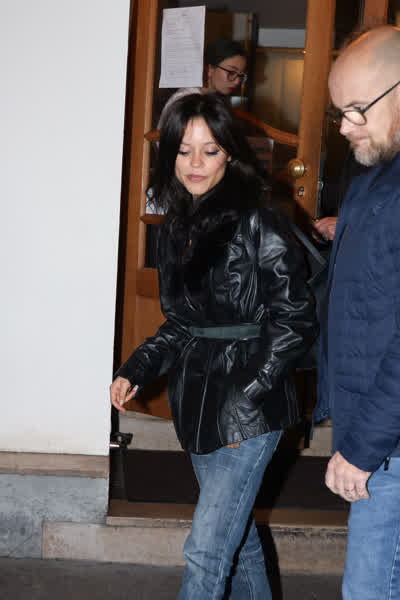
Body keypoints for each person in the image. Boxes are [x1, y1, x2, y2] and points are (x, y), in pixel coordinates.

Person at [111, 93, 316, 599]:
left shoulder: (259, 220)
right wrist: (137, 367)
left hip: (250, 408)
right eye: (184, 151)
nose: (195, 163)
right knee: (236, 541)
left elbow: (295, 319)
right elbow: (182, 323)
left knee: (206, 551)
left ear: (230, 154)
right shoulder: (176, 229)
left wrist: (249, 393)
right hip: (199, 401)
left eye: (210, 150)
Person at [313, 25, 400, 599]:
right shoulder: (375, 179)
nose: (345, 127)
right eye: (339, 111)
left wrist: (363, 447)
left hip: (389, 446)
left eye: (357, 109)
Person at [157, 38, 247, 129]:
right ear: (210, 69)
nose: (237, 81)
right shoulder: (185, 100)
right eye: (231, 72)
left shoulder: (215, 99)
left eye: (240, 75)